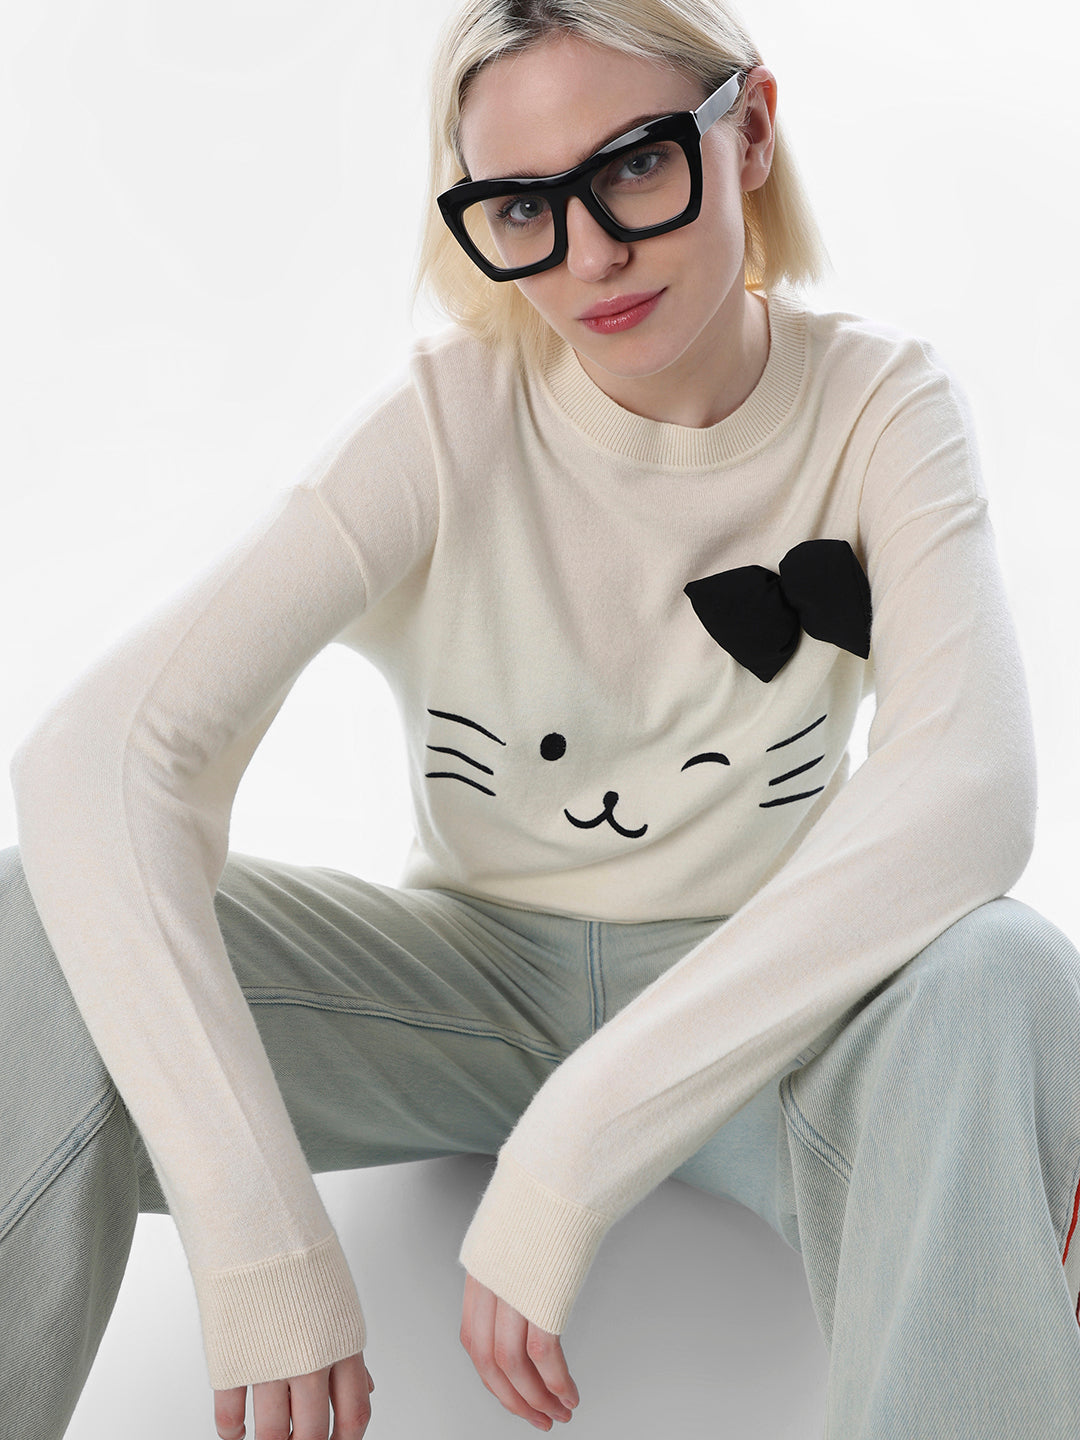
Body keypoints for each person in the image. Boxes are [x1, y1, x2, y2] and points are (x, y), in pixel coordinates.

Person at [3, 0, 1080, 1436]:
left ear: (751, 132)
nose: (589, 254)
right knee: (36, 918)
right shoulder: (449, 419)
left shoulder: (881, 403)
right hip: (457, 989)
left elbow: (970, 788)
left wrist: (573, 1150)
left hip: (769, 1005)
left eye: (634, 166)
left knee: (1003, 973)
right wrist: (261, 1248)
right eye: (523, 205)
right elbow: (96, 760)